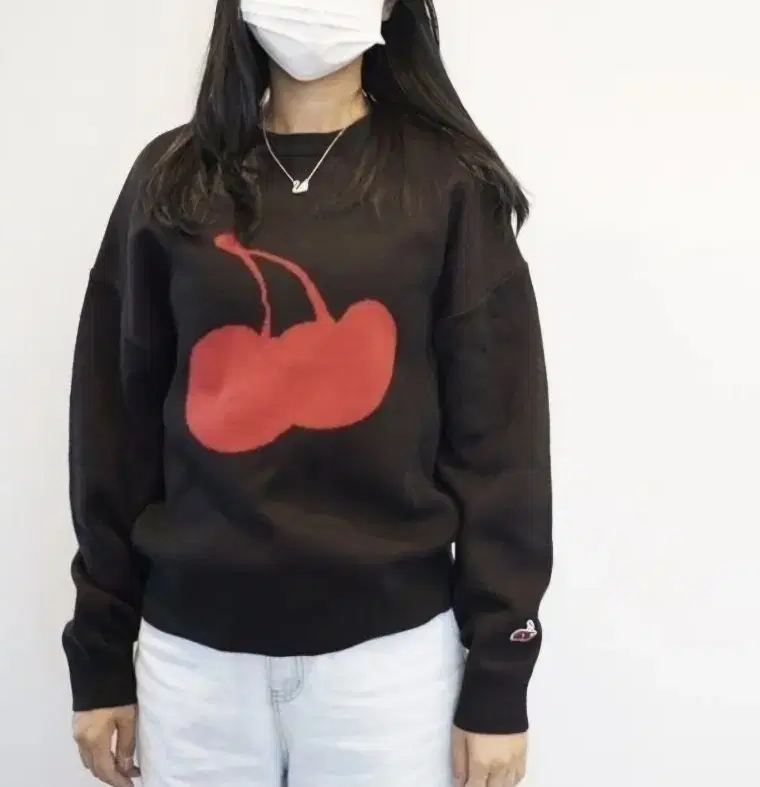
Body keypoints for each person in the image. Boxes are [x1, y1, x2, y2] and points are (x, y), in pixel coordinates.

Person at [62, 0, 553, 784]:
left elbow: (501, 443)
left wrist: (500, 675)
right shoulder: (173, 180)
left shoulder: (448, 184)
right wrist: (99, 653)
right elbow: (112, 427)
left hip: (387, 669)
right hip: (194, 668)